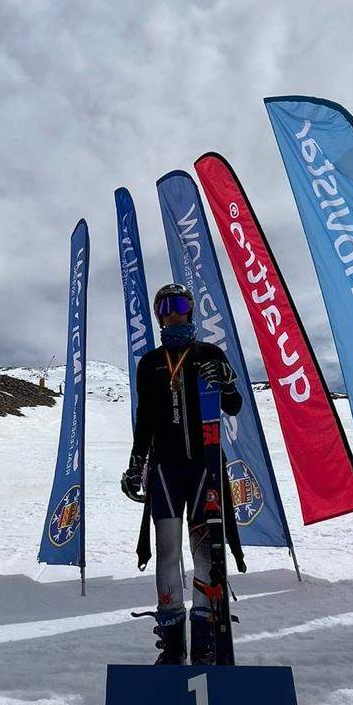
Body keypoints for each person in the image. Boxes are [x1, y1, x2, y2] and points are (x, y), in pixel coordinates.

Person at [121, 283, 244, 665]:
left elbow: (234, 405)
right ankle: (172, 642)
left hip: (205, 468)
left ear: (190, 310)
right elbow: (145, 421)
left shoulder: (209, 353)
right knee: (168, 553)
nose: (174, 311)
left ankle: (206, 636)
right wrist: (136, 462)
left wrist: (224, 382)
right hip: (165, 472)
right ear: (159, 314)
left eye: (180, 304)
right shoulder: (150, 362)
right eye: (165, 306)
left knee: (205, 551)